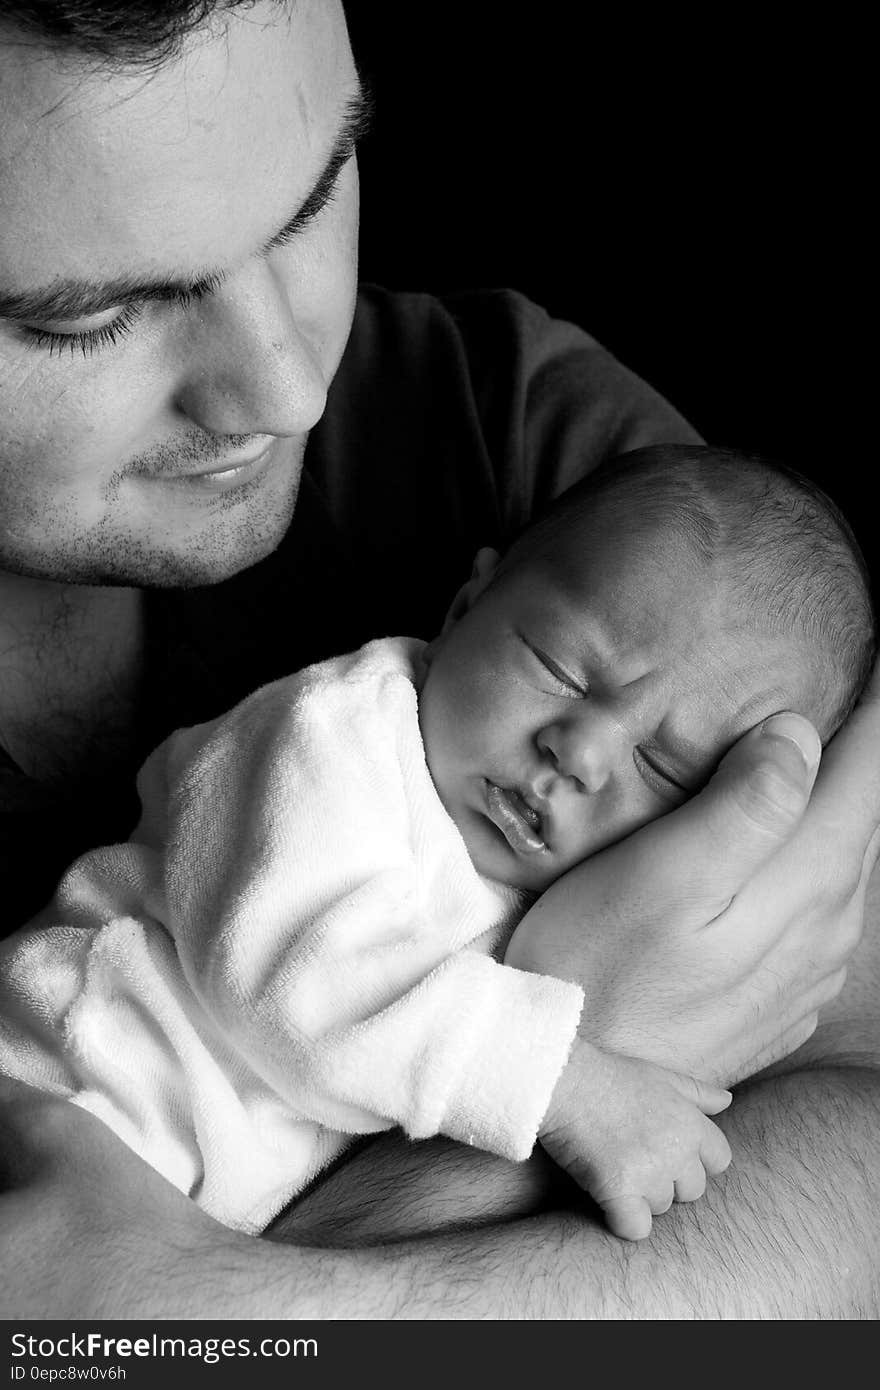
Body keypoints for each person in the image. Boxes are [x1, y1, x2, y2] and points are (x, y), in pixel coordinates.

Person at [1, 0, 879, 1319]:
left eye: (311, 200)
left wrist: (206, 1314)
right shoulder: (343, 734)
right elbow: (295, 978)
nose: (289, 389)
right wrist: (589, 1077)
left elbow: (860, 1163)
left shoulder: (551, 469)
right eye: (89, 316)